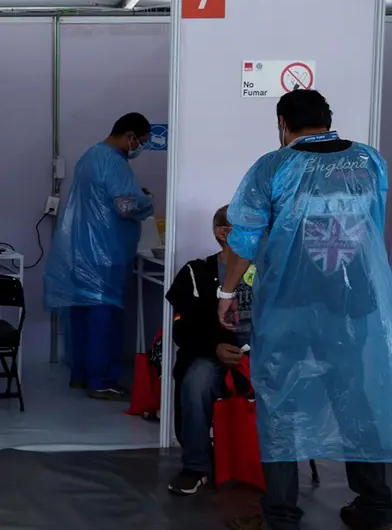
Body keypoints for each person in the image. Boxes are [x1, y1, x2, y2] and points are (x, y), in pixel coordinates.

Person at [217, 89, 392, 530]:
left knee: (280, 403)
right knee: (357, 400)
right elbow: (372, 226)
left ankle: (280, 515)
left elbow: (244, 238)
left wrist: (227, 292)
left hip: (290, 309)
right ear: (328, 119)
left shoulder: (274, 166)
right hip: (355, 306)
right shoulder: (370, 161)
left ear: (282, 123)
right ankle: (375, 505)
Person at [44, 112, 155, 400]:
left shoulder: (89, 156)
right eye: (140, 141)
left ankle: (80, 374)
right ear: (130, 136)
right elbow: (126, 206)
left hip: (81, 252)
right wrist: (147, 201)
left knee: (81, 315)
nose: (139, 147)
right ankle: (102, 380)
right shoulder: (114, 162)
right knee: (103, 319)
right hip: (107, 252)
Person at [165, 205, 253, 496]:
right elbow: (182, 329)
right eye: (244, 227)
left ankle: (273, 470)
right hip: (210, 352)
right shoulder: (196, 272)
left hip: (262, 355)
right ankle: (195, 467)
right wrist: (214, 347)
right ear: (222, 232)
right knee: (197, 381)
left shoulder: (268, 270)